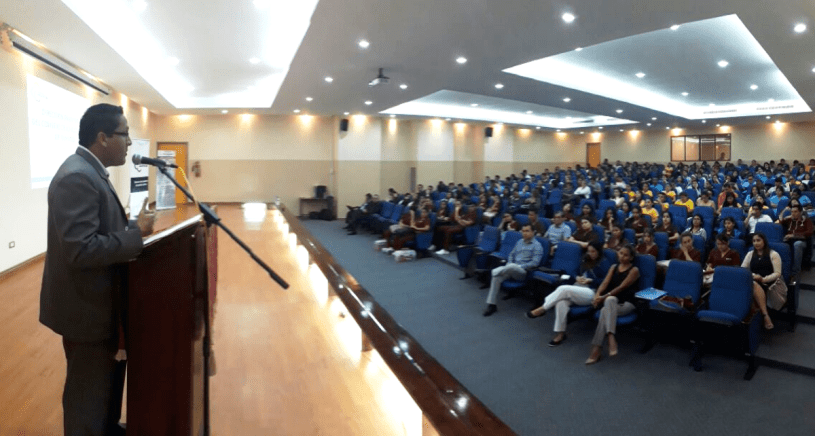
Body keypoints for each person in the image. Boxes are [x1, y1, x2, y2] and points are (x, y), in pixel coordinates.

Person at [40, 103, 156, 436]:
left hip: (100, 306)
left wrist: (135, 227)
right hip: (85, 310)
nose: (130, 143)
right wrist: (136, 236)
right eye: (125, 134)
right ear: (103, 138)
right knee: (86, 396)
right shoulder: (77, 175)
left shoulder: (88, 171)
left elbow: (99, 229)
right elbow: (82, 249)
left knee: (103, 389)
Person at [526, 241, 609, 346]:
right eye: (589, 251)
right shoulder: (585, 259)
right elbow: (574, 272)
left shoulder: (604, 263)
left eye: (593, 251)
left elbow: (606, 281)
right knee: (561, 302)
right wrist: (577, 277)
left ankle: (543, 308)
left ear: (599, 252)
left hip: (592, 292)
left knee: (563, 289)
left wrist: (590, 281)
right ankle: (560, 334)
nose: (590, 254)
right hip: (578, 288)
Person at [585, 245, 641, 364]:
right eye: (620, 253)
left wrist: (602, 298)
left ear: (631, 258)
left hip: (627, 303)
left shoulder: (634, 270)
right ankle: (610, 338)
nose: (622, 257)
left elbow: (622, 287)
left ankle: (597, 349)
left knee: (608, 303)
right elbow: (605, 283)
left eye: (626, 255)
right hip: (611, 302)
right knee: (608, 304)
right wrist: (597, 295)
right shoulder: (613, 267)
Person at [483, 225, 543, 316]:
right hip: (510, 269)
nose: (524, 233)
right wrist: (510, 263)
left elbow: (535, 263)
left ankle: (498, 270)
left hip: (522, 272)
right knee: (496, 278)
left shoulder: (537, 246)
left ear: (533, 232)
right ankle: (492, 304)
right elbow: (511, 255)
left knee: (511, 267)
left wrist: (519, 266)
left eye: (527, 231)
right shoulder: (519, 242)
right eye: (523, 231)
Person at [742, 233, 783, 330]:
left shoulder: (773, 254)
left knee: (752, 287)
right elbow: (743, 270)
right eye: (754, 241)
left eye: (758, 240)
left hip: (768, 283)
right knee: (750, 286)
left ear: (764, 241)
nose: (756, 243)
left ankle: (764, 316)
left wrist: (763, 279)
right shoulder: (750, 254)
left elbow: (777, 273)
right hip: (753, 281)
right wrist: (753, 276)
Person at [780, 204, 813, 275]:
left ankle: (796, 271)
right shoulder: (789, 219)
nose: (793, 213)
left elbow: (810, 232)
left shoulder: (807, 220)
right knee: (780, 245)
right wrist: (784, 212)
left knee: (797, 244)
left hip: (801, 241)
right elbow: (780, 221)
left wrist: (794, 235)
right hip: (789, 240)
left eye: (795, 212)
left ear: (800, 212)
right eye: (792, 212)